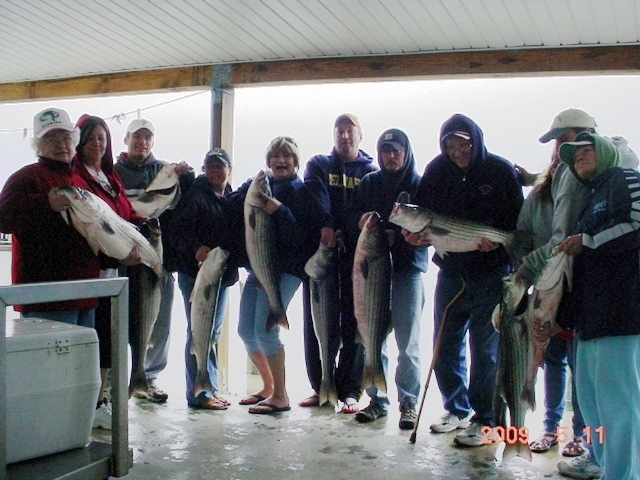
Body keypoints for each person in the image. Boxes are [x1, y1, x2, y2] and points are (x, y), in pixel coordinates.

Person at [403, 113, 523, 447]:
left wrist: (497, 244)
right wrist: (415, 237)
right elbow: (423, 214)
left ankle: (484, 421)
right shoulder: (436, 170)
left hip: (491, 272)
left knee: (485, 350)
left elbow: (516, 219)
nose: (456, 151)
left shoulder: (499, 171)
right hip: (451, 271)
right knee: (444, 344)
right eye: (450, 145)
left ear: (475, 140)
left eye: (462, 144)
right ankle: (456, 408)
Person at [554, 132, 640, 480]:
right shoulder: (592, 197)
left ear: (604, 152)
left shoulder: (627, 179)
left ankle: (624, 474)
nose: (579, 160)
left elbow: (637, 225)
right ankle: (607, 467)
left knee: (619, 404)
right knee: (590, 404)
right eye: (574, 158)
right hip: (589, 319)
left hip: (620, 314)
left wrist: (587, 241)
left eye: (585, 152)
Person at [68, 114, 150, 429]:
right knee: (97, 337)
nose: (98, 144)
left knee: (111, 336)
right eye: (91, 139)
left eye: (102, 139)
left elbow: (125, 215)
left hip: (115, 273)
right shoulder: (76, 177)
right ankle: (94, 403)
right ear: (80, 142)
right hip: (92, 272)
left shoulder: (109, 177)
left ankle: (102, 399)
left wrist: (143, 225)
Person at [346, 128, 428, 429]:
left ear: (406, 152)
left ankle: (409, 402)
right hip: (373, 273)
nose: (390, 156)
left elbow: (428, 230)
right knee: (373, 336)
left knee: (408, 342)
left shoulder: (419, 185)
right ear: (378, 153)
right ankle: (376, 399)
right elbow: (350, 217)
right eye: (385, 150)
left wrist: (401, 238)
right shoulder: (369, 183)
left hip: (408, 271)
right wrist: (360, 222)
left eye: (396, 150)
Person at [235, 135, 322, 414]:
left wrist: (278, 209)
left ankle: (281, 396)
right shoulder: (259, 187)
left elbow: (300, 236)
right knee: (246, 330)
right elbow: (232, 205)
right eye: (275, 157)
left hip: (286, 270)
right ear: (268, 161)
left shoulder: (301, 191)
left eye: (287, 157)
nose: (281, 161)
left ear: (295, 161)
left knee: (266, 332)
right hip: (258, 267)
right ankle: (268, 386)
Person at [301, 113, 377, 413]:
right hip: (324, 253)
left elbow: (367, 207)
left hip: (356, 259)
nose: (345, 136)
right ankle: (321, 385)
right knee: (317, 323)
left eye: (350, 131)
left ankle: (349, 390)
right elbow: (315, 196)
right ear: (333, 136)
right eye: (339, 131)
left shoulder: (370, 171)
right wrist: (326, 225)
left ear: (360, 136)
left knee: (354, 322)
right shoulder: (318, 164)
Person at [115, 118, 195, 403]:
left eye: (148, 137)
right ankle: (115, 381)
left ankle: (147, 378)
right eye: (137, 137)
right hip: (122, 256)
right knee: (119, 321)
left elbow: (175, 204)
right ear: (126, 139)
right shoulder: (112, 173)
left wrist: (185, 175)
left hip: (156, 254)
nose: (142, 142)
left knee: (159, 320)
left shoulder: (164, 170)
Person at [515, 150, 587, 458]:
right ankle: (550, 428)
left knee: (579, 365)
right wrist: (525, 272)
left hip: (577, 293)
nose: (558, 163)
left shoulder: (587, 190)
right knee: (552, 361)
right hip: (545, 292)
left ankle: (581, 434)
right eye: (555, 157)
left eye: (565, 158)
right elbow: (522, 238)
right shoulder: (538, 196)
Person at [0, 107, 100, 324]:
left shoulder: (82, 181)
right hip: (45, 300)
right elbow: (4, 218)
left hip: (84, 295)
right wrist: (46, 203)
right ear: (38, 145)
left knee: (84, 358)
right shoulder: (25, 177)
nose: (61, 144)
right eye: (51, 138)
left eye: (66, 137)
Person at [170, 148, 240, 410]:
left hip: (220, 275)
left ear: (229, 169)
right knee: (198, 331)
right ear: (203, 169)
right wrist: (195, 247)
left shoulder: (231, 197)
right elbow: (178, 230)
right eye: (210, 166)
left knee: (213, 332)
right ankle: (198, 393)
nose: (214, 170)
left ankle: (207, 386)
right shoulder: (196, 195)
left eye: (220, 166)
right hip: (195, 275)